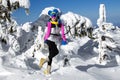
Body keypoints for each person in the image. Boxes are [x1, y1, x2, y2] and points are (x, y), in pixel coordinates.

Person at [39, 8, 67, 75]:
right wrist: (45, 39)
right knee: (55, 52)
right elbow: (47, 33)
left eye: (54, 15)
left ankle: (47, 70)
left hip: (54, 40)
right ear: (50, 16)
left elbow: (63, 33)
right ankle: (44, 63)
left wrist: (64, 39)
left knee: (51, 54)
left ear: (56, 15)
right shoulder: (49, 24)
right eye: (52, 16)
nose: (53, 17)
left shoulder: (60, 24)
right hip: (49, 39)